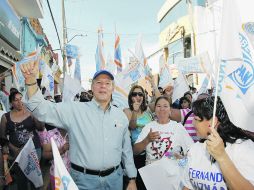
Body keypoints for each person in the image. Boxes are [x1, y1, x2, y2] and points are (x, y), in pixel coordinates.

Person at [20, 58, 137, 190]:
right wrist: (30, 82)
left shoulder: (120, 116)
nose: (103, 86)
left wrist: (132, 179)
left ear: (112, 88)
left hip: (115, 180)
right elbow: (42, 110)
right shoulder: (75, 110)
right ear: (92, 87)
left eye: (107, 83)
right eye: (98, 82)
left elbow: (126, 151)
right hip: (83, 181)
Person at [182, 96, 254, 190]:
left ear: (213, 122)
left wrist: (222, 157)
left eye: (196, 119)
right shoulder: (195, 149)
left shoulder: (243, 148)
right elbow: (188, 186)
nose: (192, 123)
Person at [0, 91, 44, 190]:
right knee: (21, 179)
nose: (20, 102)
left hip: (34, 150)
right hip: (17, 153)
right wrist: (13, 149)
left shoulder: (30, 113)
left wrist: (36, 114)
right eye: (16, 100)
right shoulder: (5, 117)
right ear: (11, 103)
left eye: (21, 98)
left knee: (34, 178)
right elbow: (2, 138)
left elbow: (41, 128)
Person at [133, 96, 193, 165]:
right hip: (151, 173)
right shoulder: (148, 127)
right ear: (155, 109)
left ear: (170, 110)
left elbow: (191, 152)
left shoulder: (178, 127)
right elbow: (135, 151)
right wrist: (147, 139)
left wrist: (180, 159)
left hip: (173, 173)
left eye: (165, 106)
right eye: (158, 106)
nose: (162, 109)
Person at [123, 84, 159, 190]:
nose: (138, 96)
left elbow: (160, 100)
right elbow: (132, 126)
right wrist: (135, 110)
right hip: (137, 154)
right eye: (134, 94)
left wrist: (154, 84)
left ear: (143, 96)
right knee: (140, 185)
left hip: (151, 153)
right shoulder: (127, 111)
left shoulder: (147, 109)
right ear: (130, 97)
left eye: (140, 94)